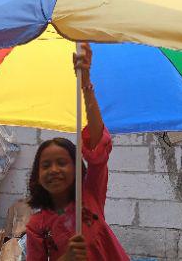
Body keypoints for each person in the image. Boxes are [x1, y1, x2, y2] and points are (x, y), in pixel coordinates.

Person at [25, 43, 130, 261]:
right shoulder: (37, 226)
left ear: (76, 168)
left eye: (62, 162)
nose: (53, 170)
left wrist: (85, 84)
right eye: (45, 165)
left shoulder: (90, 194)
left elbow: (97, 144)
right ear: (37, 175)